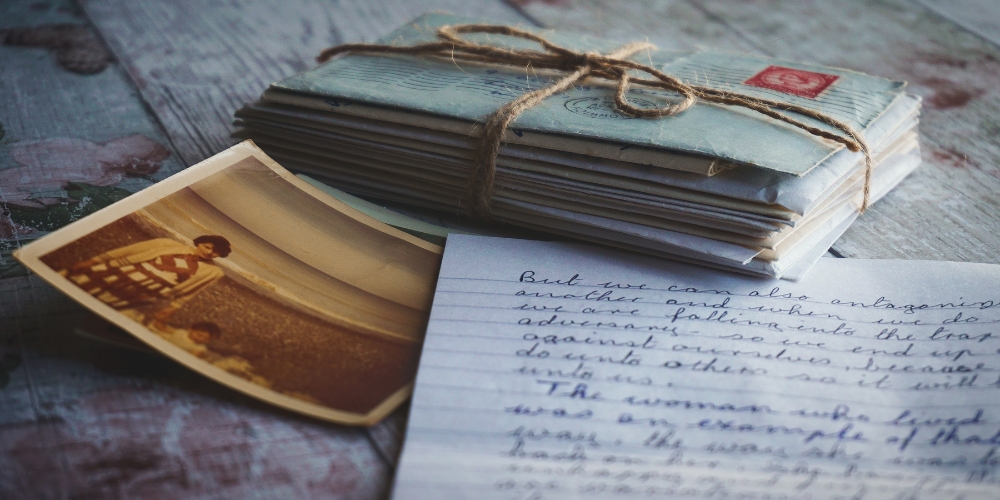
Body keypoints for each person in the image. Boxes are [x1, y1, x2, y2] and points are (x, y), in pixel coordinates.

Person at [65, 235, 231, 329]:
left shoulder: (214, 272)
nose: (209, 252)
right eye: (207, 247)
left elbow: (192, 291)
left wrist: (171, 309)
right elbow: (128, 251)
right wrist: (94, 261)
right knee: (75, 290)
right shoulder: (167, 243)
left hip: (145, 291)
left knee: (99, 311)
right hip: (120, 273)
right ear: (199, 242)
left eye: (215, 252)